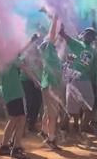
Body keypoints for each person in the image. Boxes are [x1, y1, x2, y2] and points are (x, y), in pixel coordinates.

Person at [59, 25, 96, 136]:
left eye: (92, 35)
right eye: (87, 34)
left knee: (89, 106)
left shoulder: (93, 50)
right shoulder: (78, 44)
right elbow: (65, 37)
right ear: (83, 35)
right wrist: (61, 31)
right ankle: (64, 127)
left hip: (86, 81)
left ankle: (84, 126)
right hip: (74, 80)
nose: (89, 36)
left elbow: (92, 68)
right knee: (71, 108)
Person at [0, 56, 30, 159]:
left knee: (13, 119)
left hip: (7, 93)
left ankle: (4, 146)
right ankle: (16, 148)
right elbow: (24, 67)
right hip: (17, 93)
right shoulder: (11, 57)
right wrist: (36, 81)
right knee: (22, 118)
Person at [39, 15, 63, 150]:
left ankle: (44, 131)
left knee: (49, 112)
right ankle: (51, 139)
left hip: (50, 85)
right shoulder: (49, 49)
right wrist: (54, 18)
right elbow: (52, 34)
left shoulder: (51, 52)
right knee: (52, 115)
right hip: (50, 86)